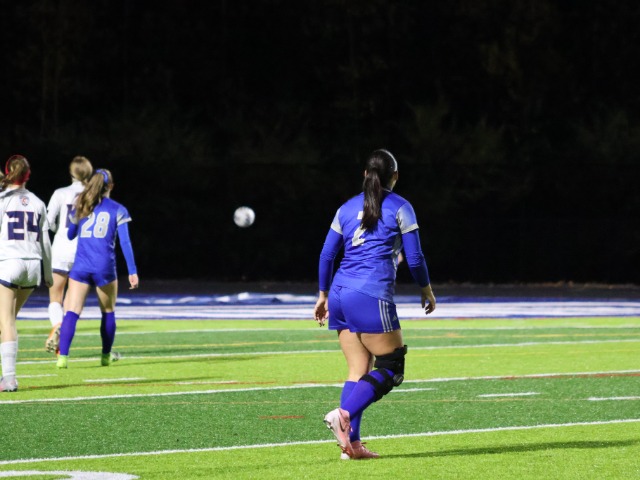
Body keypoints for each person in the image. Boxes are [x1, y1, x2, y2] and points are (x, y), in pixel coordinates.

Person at [314, 149, 436, 460]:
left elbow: (327, 255)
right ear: (395, 176)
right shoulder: (400, 206)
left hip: (340, 292)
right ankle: (342, 415)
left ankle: (351, 446)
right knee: (392, 367)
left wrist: (323, 295)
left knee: (358, 370)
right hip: (370, 294)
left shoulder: (345, 208)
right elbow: (415, 258)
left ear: (365, 175)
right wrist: (426, 289)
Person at [56, 168, 139, 369]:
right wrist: (132, 271)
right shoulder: (118, 209)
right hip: (104, 267)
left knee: (71, 312)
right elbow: (125, 242)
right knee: (108, 312)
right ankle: (105, 356)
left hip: (81, 266)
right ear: (110, 186)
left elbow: (70, 235)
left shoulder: (82, 205)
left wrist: (79, 215)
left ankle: (62, 358)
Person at [0, 155, 54, 392]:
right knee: (6, 321)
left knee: (6, 322)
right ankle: (7, 375)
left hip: (9, 263)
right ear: (28, 175)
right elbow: (45, 242)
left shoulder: (2, 200)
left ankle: (9, 379)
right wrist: (48, 273)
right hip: (33, 267)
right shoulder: (38, 202)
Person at [44, 156, 93, 354]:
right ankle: (63, 343)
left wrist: (58, 229)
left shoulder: (60, 193)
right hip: (84, 252)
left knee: (55, 297)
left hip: (61, 249)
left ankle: (57, 325)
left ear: (71, 172)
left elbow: (47, 222)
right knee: (73, 304)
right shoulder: (94, 194)